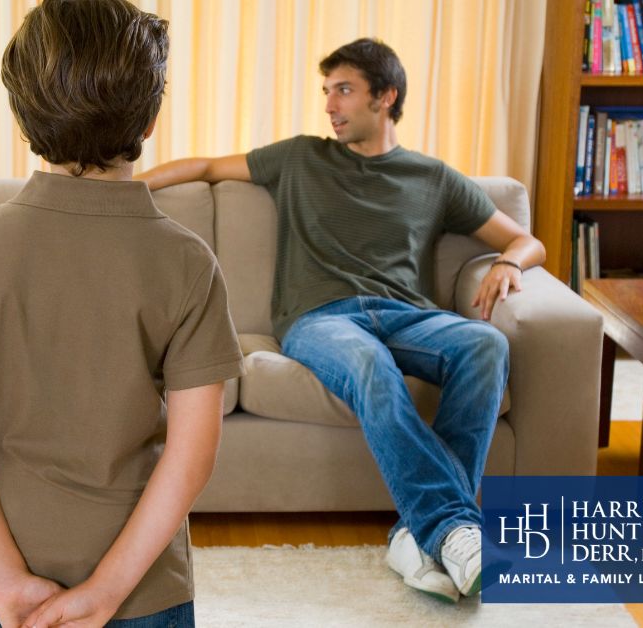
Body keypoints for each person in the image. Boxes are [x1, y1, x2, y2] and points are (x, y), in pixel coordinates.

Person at [137, 38, 545, 603]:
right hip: (321, 320)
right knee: (370, 366)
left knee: (485, 344)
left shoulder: (432, 178)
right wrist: (132, 189)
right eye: (327, 92)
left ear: (386, 97)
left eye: (345, 90)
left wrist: (508, 263)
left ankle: (419, 532)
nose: (330, 105)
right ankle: (455, 528)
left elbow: (526, 240)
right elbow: (205, 165)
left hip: (407, 317)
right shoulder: (301, 157)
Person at [0, 1, 244, 625]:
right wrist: (105, 593)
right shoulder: (187, 261)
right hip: (143, 591)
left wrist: (8, 582)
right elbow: (192, 452)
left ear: (23, 116)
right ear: (148, 122)